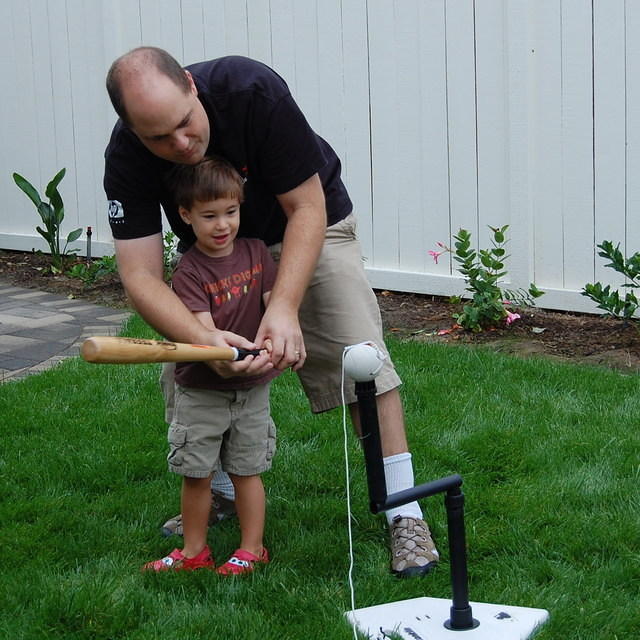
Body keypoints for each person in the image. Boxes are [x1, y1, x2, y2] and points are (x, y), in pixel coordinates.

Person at [104, 46, 439, 577]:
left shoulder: (251, 91)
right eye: (158, 138)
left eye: (184, 124)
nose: (181, 145)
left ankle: (405, 509)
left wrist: (283, 306)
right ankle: (219, 492)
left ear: (192, 86)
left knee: (361, 357)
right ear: (130, 128)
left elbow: (306, 207)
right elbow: (141, 276)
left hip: (307, 224)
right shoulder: (126, 157)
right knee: (191, 368)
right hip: (214, 245)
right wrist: (204, 340)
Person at [143, 156, 277, 574]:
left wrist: (275, 344)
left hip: (251, 388)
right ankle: (193, 552)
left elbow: (276, 309)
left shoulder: (257, 253)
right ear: (186, 216)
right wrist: (230, 355)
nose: (222, 225)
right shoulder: (189, 271)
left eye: (231, 212)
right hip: (201, 390)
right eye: (209, 215)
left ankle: (252, 549)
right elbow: (201, 330)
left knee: (247, 470)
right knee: (197, 473)